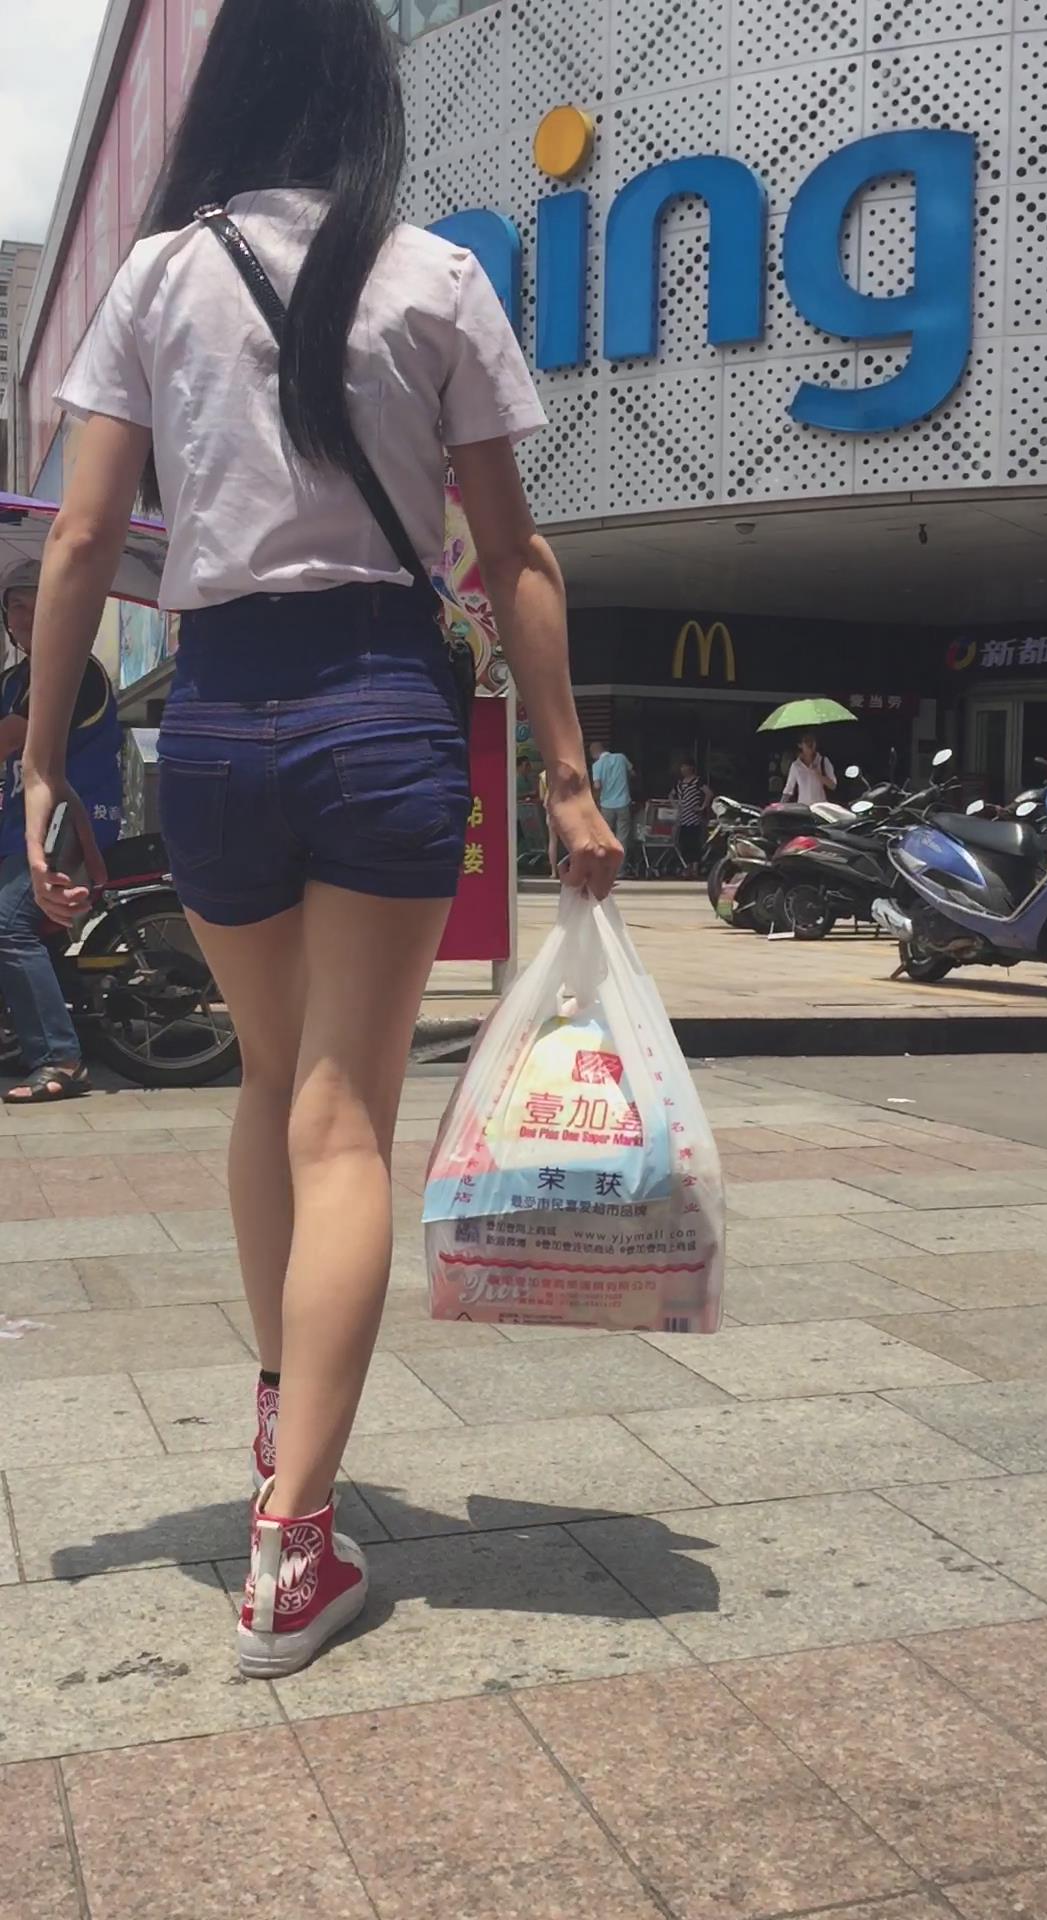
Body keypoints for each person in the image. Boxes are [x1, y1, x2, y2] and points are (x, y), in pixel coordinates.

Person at [21, 0, 620, 1679]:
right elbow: (515, 556)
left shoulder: (157, 274)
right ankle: (295, 1546)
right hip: (381, 708)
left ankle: (281, 1431)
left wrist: (44, 757)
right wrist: (570, 777)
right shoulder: (433, 277)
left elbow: (81, 540)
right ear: (364, 93)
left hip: (214, 717)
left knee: (270, 1087)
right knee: (346, 1116)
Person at [0, 561, 121, 1103]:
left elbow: (11, 738)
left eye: (38, 603)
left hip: (71, 829)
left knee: (8, 926)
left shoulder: (75, 670)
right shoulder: (15, 680)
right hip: (20, 828)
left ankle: (61, 1059)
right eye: (16, 606)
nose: (26, 616)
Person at [590, 738, 633, 866]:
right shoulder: (621, 758)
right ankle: (620, 869)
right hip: (623, 803)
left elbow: (597, 786)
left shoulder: (596, 765)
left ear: (594, 752)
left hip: (606, 806)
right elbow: (632, 773)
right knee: (622, 837)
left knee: (606, 837)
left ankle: (606, 867)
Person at [670, 757, 712, 876]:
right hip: (682, 818)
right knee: (683, 842)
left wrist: (702, 807)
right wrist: (675, 805)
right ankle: (686, 866)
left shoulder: (698, 781)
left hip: (694, 818)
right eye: (681, 767)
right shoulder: (679, 783)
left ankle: (695, 867)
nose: (683, 769)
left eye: (685, 766)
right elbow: (671, 795)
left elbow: (709, 793)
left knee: (694, 842)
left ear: (691, 768)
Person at [782, 732, 837, 806]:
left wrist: (818, 774)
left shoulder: (823, 761)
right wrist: (779, 806)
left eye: (812, 741)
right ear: (800, 745)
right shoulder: (796, 766)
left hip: (821, 807)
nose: (810, 744)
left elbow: (833, 786)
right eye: (806, 741)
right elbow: (788, 789)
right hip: (803, 807)